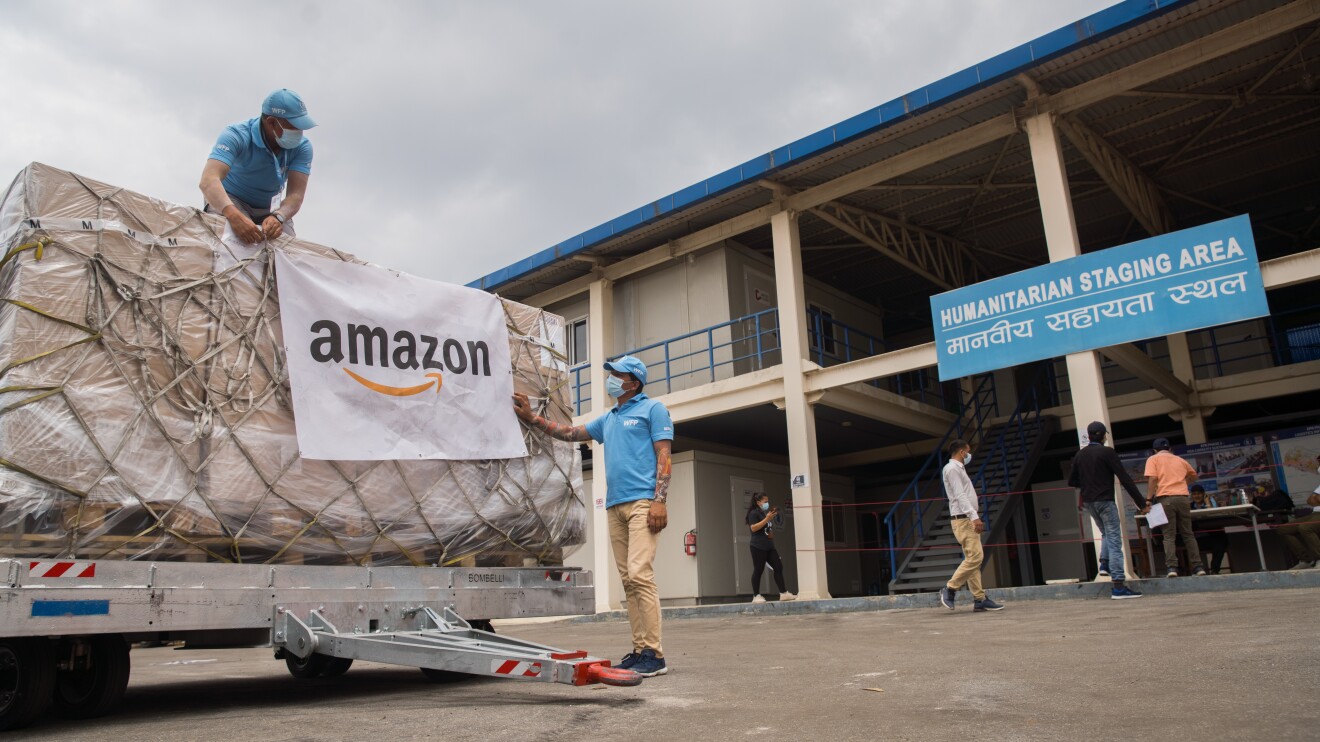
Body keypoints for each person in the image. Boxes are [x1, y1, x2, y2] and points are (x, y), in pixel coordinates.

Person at [512, 355, 673, 677]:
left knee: (641, 574)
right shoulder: (609, 418)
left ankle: (655, 655)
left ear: (634, 382)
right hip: (615, 505)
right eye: (611, 374)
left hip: (643, 501)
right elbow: (571, 433)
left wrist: (660, 501)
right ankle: (640, 649)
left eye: (617, 374)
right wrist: (531, 418)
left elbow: (664, 455)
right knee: (628, 580)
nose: (611, 378)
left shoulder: (652, 409)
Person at [200, 89, 316, 244]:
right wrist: (232, 214)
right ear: (271, 122)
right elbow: (208, 180)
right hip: (231, 200)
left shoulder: (303, 147)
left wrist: (279, 216)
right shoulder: (236, 135)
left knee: (289, 252)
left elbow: (295, 196)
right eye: (294, 126)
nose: (299, 132)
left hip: (270, 209)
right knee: (234, 243)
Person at [1067, 421, 1148, 599]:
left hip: (1089, 502)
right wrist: (1142, 503)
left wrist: (1088, 484)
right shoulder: (1107, 452)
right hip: (1105, 500)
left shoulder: (1080, 455)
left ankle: (1104, 564)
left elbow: (1072, 481)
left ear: (1089, 436)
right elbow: (1125, 479)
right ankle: (1118, 586)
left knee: (1105, 532)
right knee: (1114, 539)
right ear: (1103, 435)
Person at [937, 439, 1004, 612]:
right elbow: (959, 495)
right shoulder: (952, 469)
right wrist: (974, 517)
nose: (969, 454)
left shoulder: (958, 469)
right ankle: (950, 588)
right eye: (968, 451)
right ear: (961, 452)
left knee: (972, 560)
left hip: (965, 517)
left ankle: (979, 598)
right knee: (976, 557)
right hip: (964, 518)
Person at [1143, 438, 1207, 577]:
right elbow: (1193, 476)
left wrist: (1148, 499)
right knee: (1188, 534)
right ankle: (1198, 567)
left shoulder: (1153, 459)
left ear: (1154, 450)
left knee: (1168, 536)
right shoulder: (1180, 460)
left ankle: (1172, 568)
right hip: (1183, 498)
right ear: (1170, 449)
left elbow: (1153, 479)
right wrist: (1183, 483)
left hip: (1165, 499)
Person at [746, 494, 795, 603]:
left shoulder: (763, 513)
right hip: (758, 546)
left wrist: (770, 531)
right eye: (765, 501)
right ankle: (756, 596)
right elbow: (753, 528)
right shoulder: (753, 513)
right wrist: (767, 519)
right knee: (758, 569)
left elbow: (765, 528)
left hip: (769, 546)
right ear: (758, 502)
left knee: (778, 566)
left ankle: (783, 593)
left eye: (767, 501)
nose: (767, 503)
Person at [1189, 485, 1228, 574]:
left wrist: (1207, 503)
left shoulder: (1210, 503)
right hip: (1198, 537)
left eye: (1199, 494)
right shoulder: (1190, 506)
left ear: (1204, 494)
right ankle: (1196, 570)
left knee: (1220, 543)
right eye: (1194, 494)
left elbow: (1213, 515)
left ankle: (1215, 570)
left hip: (1212, 535)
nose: (1197, 496)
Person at [1278, 493, 1320, 570]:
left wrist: (1316, 498)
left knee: (1305, 528)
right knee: (1283, 529)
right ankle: (1307, 560)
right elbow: (1310, 500)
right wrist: (1316, 498)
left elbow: (1316, 499)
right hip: (1315, 513)